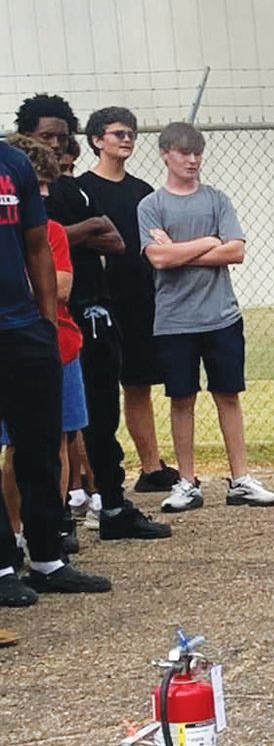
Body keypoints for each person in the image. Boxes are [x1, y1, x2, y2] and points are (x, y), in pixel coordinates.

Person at [19, 97, 168, 542]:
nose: (56, 148)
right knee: (53, 425)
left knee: (100, 411)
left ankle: (113, 503)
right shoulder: (24, 192)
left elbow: (116, 240)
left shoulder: (72, 190)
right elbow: (34, 242)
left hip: (94, 308)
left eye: (62, 139)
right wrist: (77, 232)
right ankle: (53, 516)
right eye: (46, 138)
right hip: (47, 315)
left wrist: (68, 234)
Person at [136, 122, 274, 513]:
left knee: (227, 395)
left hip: (221, 317)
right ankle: (186, 481)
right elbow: (158, 258)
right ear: (166, 154)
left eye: (197, 153)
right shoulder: (151, 205)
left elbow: (235, 251)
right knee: (181, 399)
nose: (192, 160)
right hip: (174, 321)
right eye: (184, 153)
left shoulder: (217, 200)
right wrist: (207, 242)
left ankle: (240, 479)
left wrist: (183, 249)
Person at [0, 128, 111, 609]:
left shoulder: (13, 165)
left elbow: (37, 245)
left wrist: (46, 323)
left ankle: (47, 559)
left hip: (25, 329)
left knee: (41, 448)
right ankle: (4, 565)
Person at [81, 106, 178, 493]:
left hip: (140, 298)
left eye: (131, 134)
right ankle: (87, 474)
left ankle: (151, 467)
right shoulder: (83, 190)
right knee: (95, 390)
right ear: (96, 140)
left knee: (138, 385)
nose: (126, 140)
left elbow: (157, 241)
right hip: (99, 300)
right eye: (118, 133)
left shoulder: (142, 192)